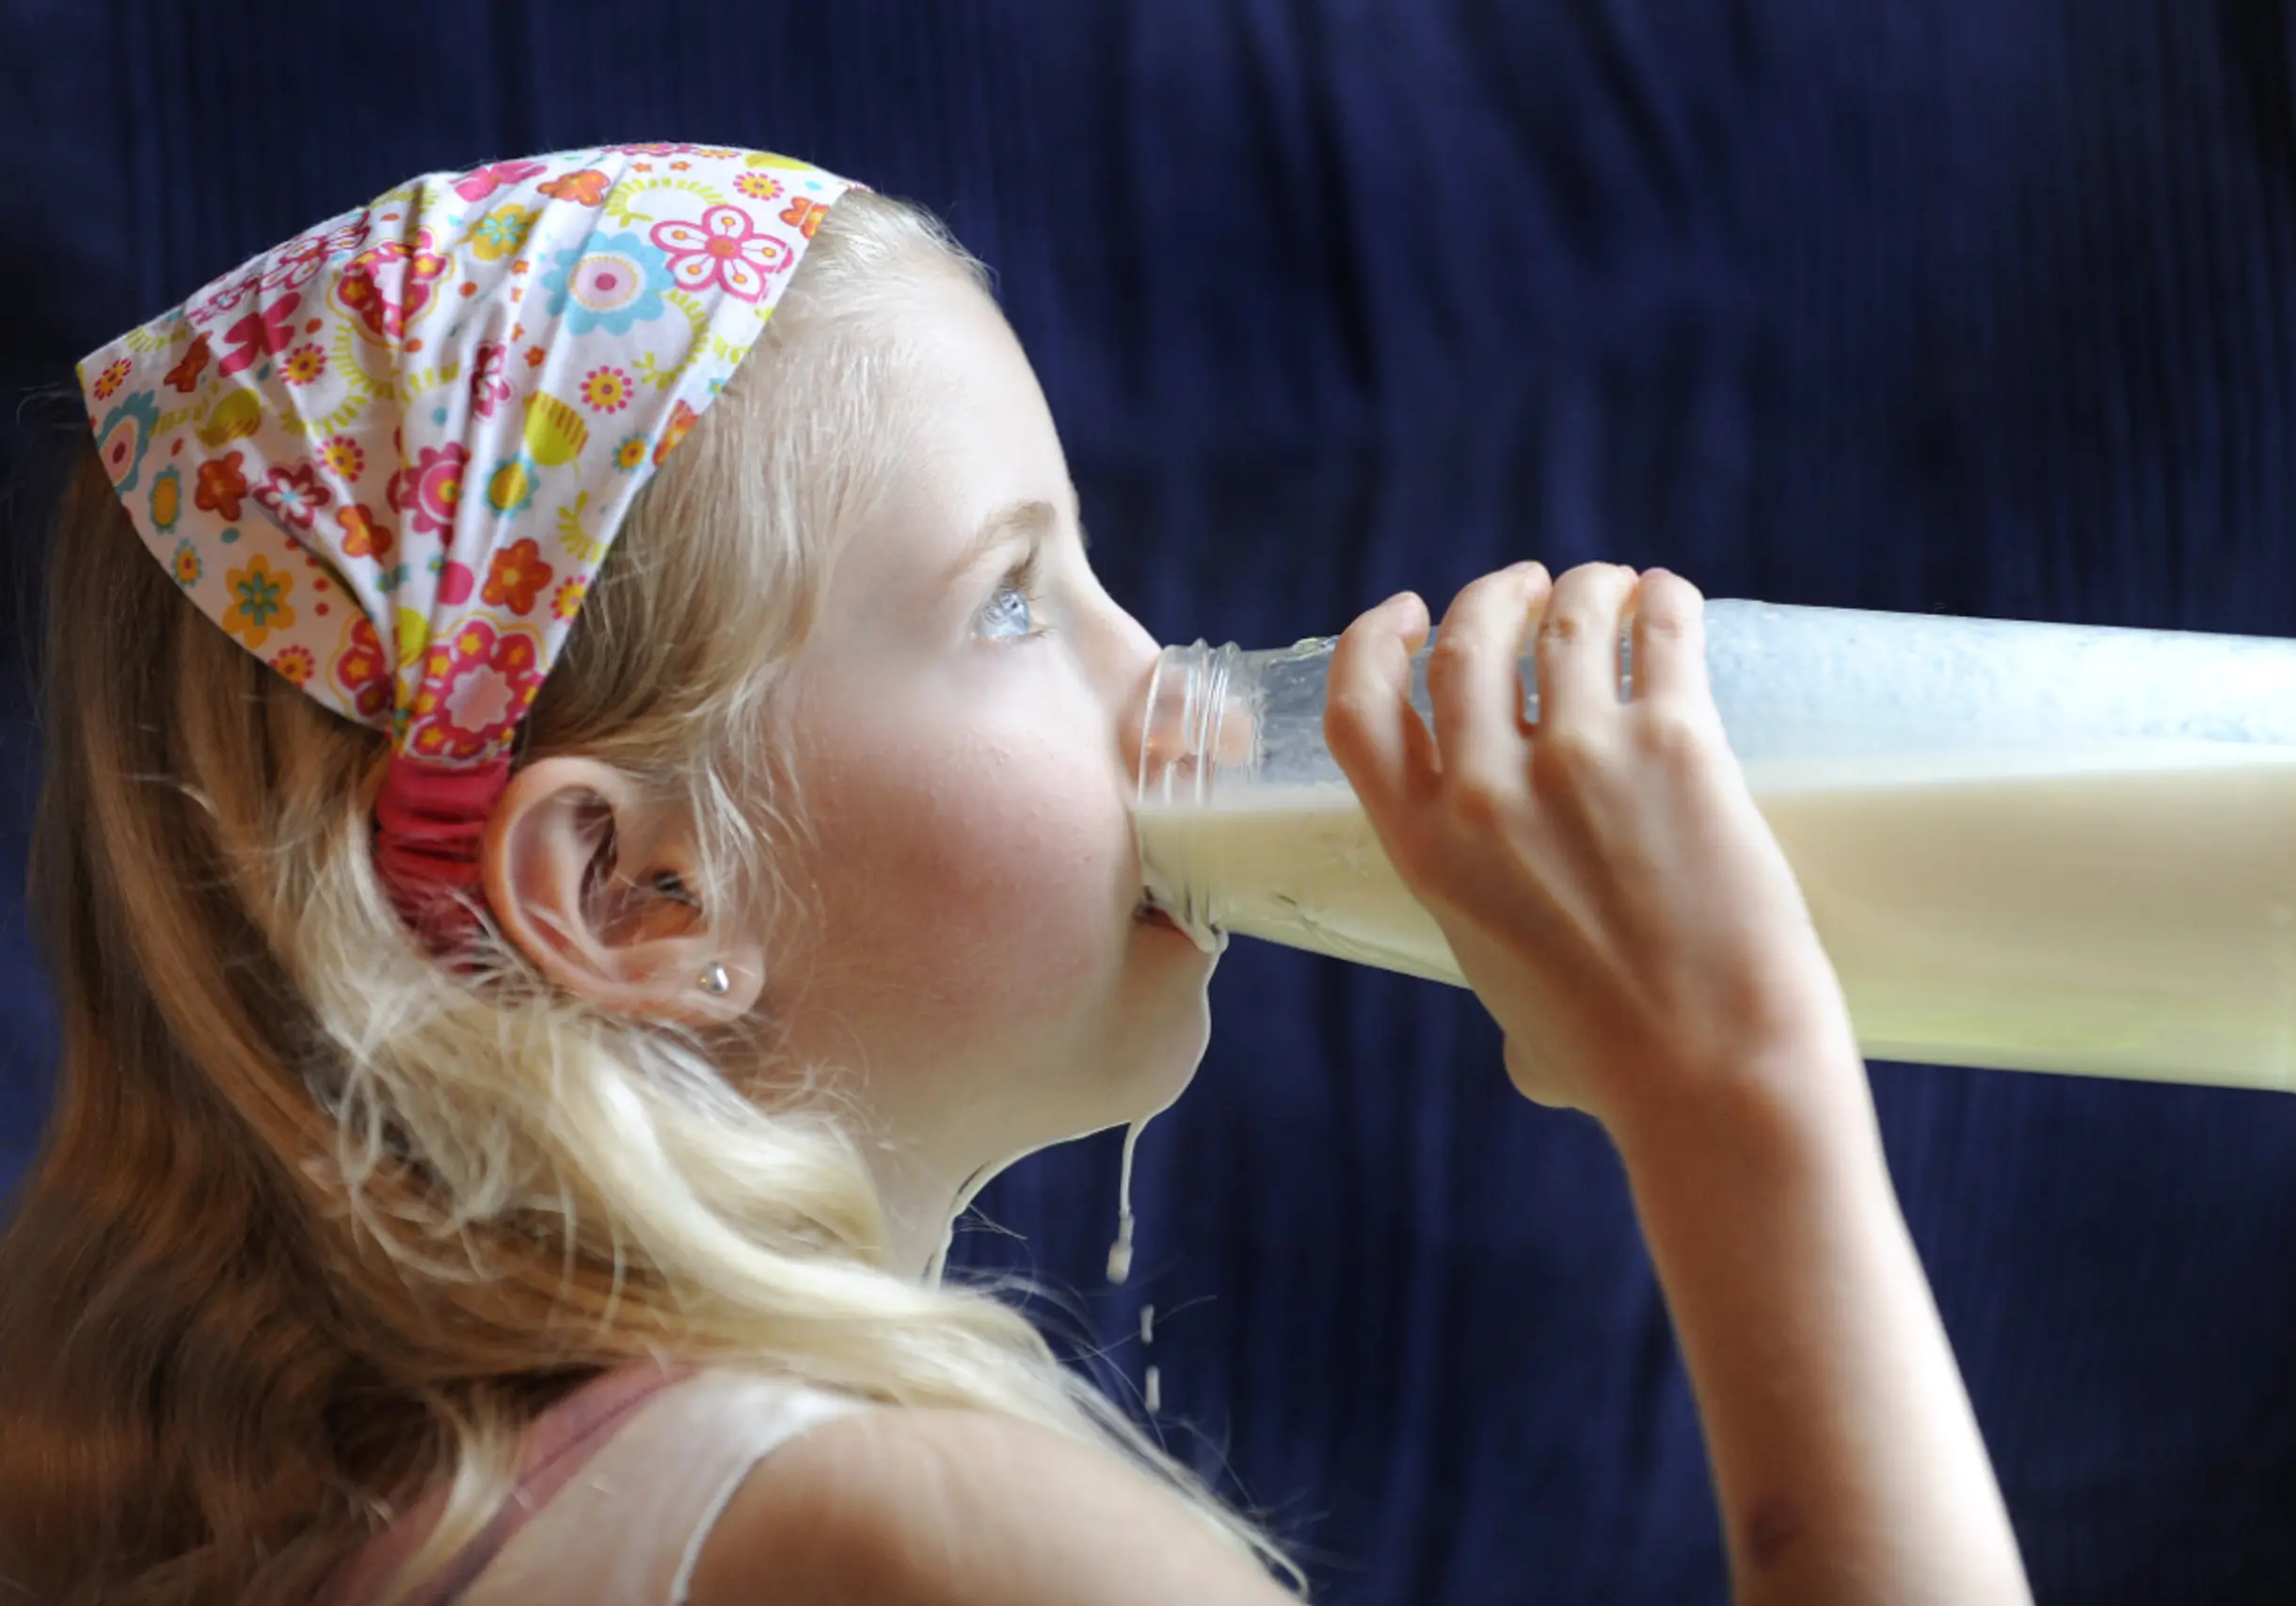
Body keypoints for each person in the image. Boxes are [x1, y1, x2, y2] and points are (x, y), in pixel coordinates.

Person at [0, 143, 2030, 1605]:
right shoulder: (924, 1547)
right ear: (637, 893)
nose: (1155, 682)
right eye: (1009, 600)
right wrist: (1735, 1090)